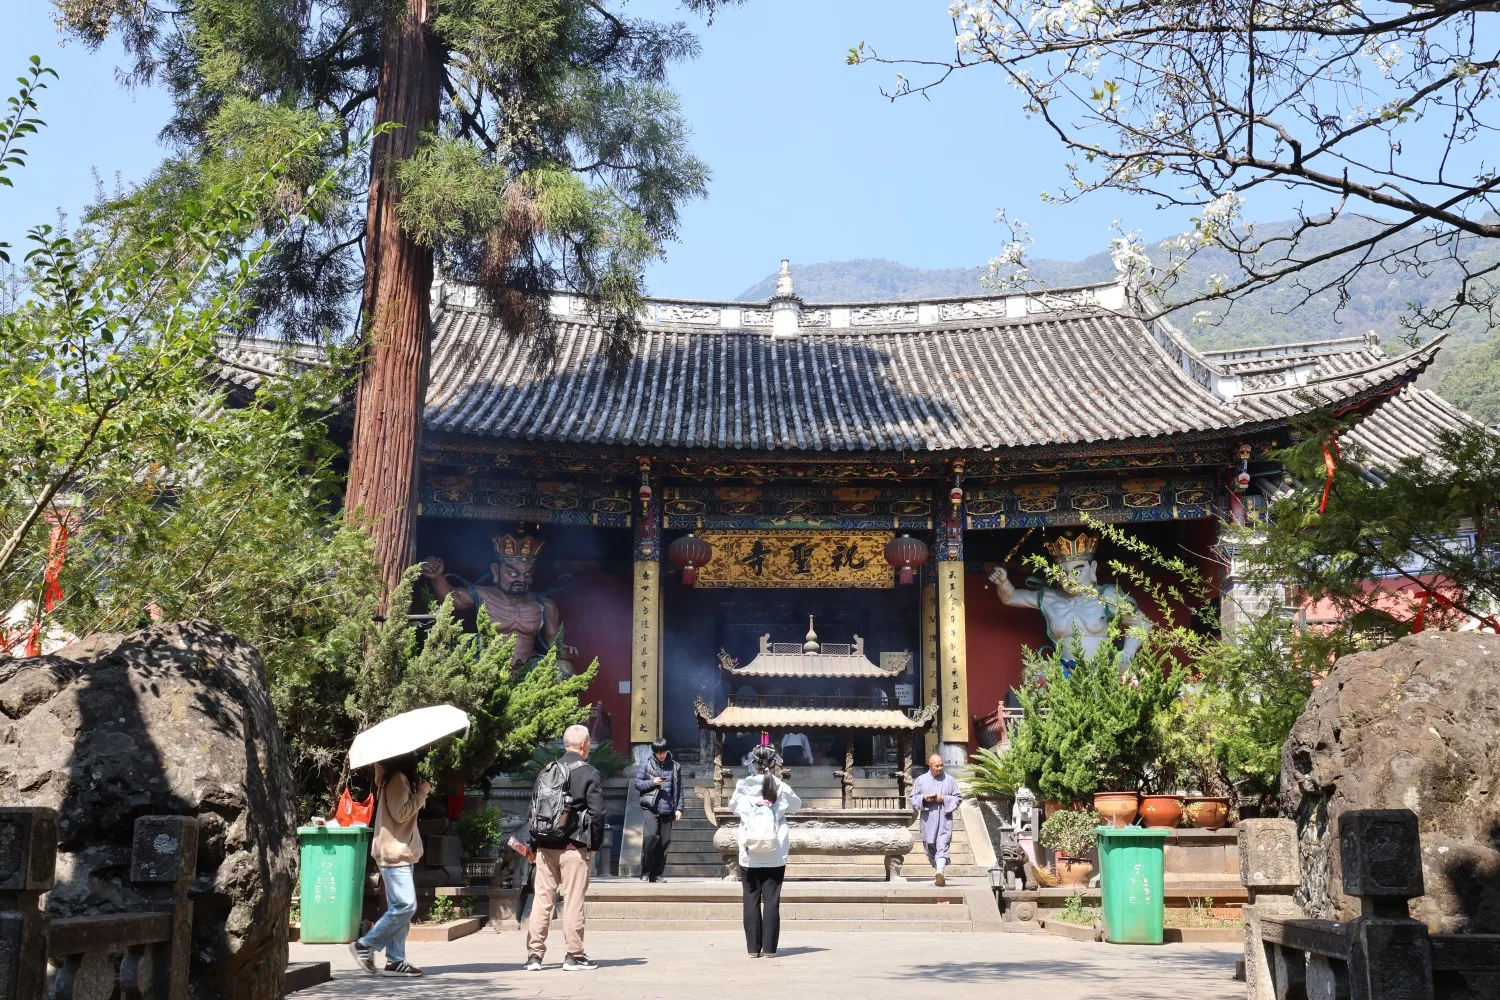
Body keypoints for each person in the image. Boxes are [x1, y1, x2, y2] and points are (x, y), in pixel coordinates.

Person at [524, 724, 605, 972]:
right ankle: (574, 955)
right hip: (574, 847)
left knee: (542, 901)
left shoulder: (547, 770)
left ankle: (534, 956)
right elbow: (597, 814)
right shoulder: (589, 773)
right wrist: (594, 845)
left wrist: (534, 845)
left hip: (545, 846)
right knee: (572, 901)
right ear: (585, 744)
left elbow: (534, 810)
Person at [349, 754, 430, 978]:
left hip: (400, 851)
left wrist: (418, 792)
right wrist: (421, 794)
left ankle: (395, 960)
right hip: (394, 852)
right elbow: (400, 814)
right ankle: (366, 945)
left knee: (399, 909)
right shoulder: (397, 779)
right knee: (406, 905)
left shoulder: (397, 779)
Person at [730, 744, 802, 958]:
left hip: (750, 850)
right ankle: (770, 949)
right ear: (773, 764)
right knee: (771, 899)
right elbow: (796, 805)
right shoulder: (780, 786)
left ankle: (753, 949)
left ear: (752, 763)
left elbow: (733, 808)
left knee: (751, 898)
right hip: (775, 850)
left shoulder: (743, 786)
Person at [634, 737, 683, 883]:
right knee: (651, 838)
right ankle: (645, 870)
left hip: (668, 808)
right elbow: (637, 783)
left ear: (667, 751)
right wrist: (652, 782)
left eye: (663, 752)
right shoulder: (646, 764)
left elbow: (679, 789)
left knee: (664, 843)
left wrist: (679, 808)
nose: (661, 755)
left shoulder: (675, 766)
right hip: (651, 807)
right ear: (654, 752)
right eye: (658, 752)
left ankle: (656, 874)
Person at [909, 753, 962, 886]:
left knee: (942, 844)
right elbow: (913, 797)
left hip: (944, 819)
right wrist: (924, 798)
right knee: (929, 846)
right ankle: (939, 871)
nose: (940, 768)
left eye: (941, 765)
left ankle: (940, 871)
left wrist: (944, 798)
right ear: (930, 766)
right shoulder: (921, 780)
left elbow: (958, 798)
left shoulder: (950, 780)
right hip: (928, 819)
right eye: (937, 766)